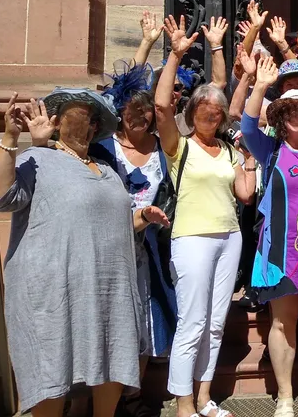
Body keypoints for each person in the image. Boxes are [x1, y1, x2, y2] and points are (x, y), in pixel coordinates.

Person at [0, 90, 169, 417]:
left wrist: (142, 217)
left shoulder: (107, 169)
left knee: (111, 361)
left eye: (93, 118)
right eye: (81, 114)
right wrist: (11, 136)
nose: (89, 123)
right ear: (57, 121)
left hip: (109, 292)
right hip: (56, 292)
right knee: (51, 366)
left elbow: (110, 225)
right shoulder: (39, 159)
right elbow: (0, 195)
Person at [155, 15, 257, 417]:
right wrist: (175, 57)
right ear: (193, 112)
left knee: (215, 324)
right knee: (192, 323)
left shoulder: (229, 151)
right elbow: (162, 105)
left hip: (229, 237)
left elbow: (245, 196)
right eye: (205, 110)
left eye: (217, 111)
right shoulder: (179, 146)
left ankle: (203, 398)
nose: (212, 115)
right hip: (192, 238)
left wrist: (248, 162)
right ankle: (183, 406)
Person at [242, 57, 298, 417]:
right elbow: (246, 127)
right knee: (282, 322)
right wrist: (260, 85)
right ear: (279, 114)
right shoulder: (270, 149)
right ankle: (285, 397)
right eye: (289, 109)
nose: (297, 115)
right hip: (280, 253)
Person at [94, 61, 179, 373]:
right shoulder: (103, 149)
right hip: (109, 248)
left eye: (144, 110)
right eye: (129, 110)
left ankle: (132, 395)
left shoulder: (162, 148)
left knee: (143, 316)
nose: (138, 117)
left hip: (149, 251)